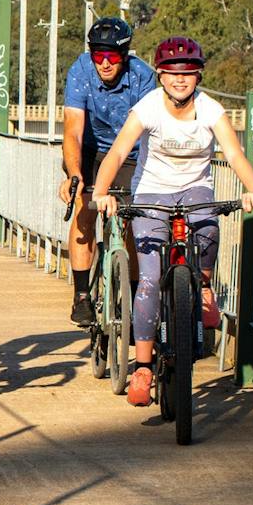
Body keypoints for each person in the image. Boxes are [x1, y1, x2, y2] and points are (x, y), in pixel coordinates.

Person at [90, 36, 253, 407]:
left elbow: (234, 153)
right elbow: (120, 150)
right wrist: (102, 191)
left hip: (195, 189)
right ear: (160, 75)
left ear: (199, 76)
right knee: (151, 277)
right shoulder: (148, 108)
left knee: (209, 225)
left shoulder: (212, 111)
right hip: (152, 192)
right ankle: (142, 367)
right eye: (172, 73)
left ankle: (202, 286)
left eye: (188, 73)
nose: (180, 80)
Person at [60, 17, 155, 326]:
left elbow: (146, 132)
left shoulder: (143, 77)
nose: (103, 63)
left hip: (130, 152)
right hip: (91, 148)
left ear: (124, 56)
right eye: (97, 54)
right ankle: (81, 296)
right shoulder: (81, 70)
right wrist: (75, 175)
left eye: (111, 56)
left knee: (128, 214)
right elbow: (73, 132)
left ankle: (130, 291)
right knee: (83, 210)